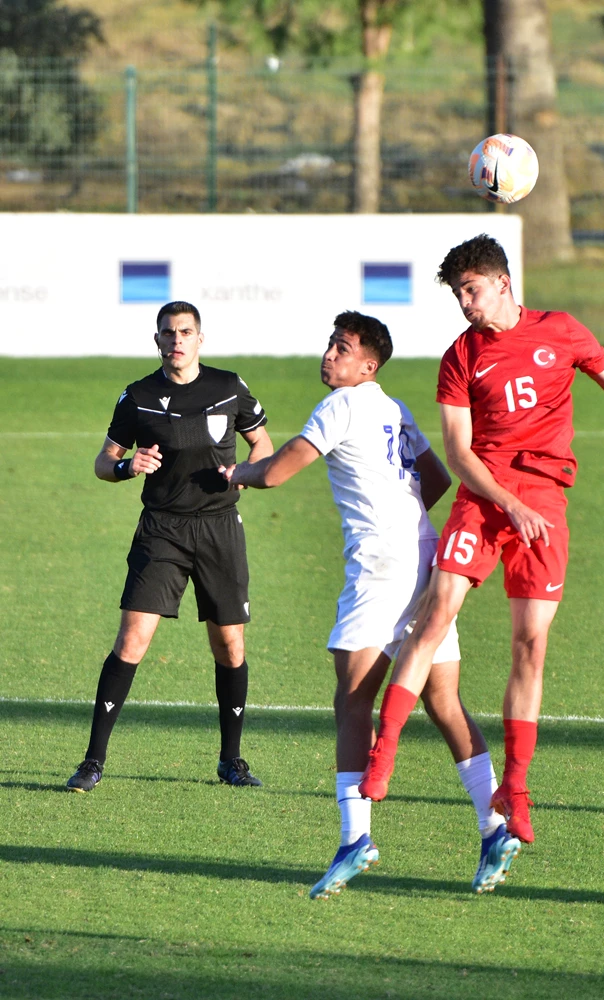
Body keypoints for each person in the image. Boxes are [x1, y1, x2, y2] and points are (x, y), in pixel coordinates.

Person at [358, 234, 604, 844]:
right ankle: (383, 751)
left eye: (470, 290)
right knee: (435, 613)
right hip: (485, 497)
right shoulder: (460, 357)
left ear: (502, 282)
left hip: (545, 503)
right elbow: (457, 453)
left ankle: (517, 789)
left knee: (531, 645)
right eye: (457, 295)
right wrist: (506, 502)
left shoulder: (562, 331)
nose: (465, 304)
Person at [221, 310, 522, 897]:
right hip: (426, 557)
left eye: (343, 348)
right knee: (442, 700)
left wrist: (238, 471)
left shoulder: (343, 405)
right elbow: (435, 480)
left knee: (353, 698)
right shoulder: (393, 408)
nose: (330, 355)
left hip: (381, 565)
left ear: (368, 365)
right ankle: (494, 825)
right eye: (331, 344)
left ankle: (356, 836)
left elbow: (279, 472)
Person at [66, 301, 273, 793]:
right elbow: (103, 461)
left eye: (185, 332)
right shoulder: (137, 397)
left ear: (201, 339)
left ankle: (231, 760)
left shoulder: (229, 387)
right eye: (168, 333)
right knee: (132, 641)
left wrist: (244, 476)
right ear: (156, 340)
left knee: (230, 645)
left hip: (220, 528)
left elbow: (262, 444)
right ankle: (92, 761)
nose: (176, 340)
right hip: (162, 530)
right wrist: (126, 466)